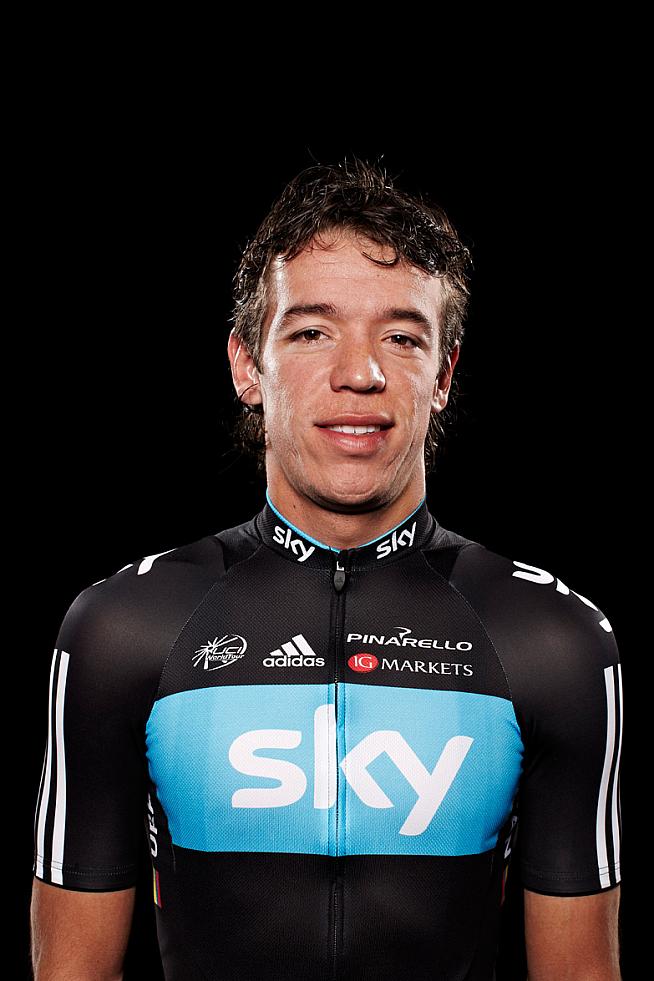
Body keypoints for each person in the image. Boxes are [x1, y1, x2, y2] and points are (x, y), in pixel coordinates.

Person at [30, 156, 623, 980]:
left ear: (443, 374)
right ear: (247, 366)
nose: (360, 373)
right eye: (312, 331)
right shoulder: (121, 628)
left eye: (402, 337)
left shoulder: (554, 640)